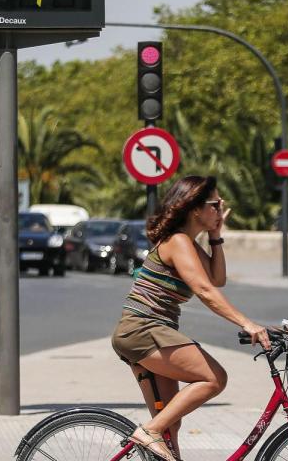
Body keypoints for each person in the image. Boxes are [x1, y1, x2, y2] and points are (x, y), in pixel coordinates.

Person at [111, 175, 271, 461]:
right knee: (214, 378)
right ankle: (148, 432)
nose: (220, 210)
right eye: (215, 204)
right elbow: (206, 291)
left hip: (148, 331)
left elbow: (217, 278)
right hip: (144, 329)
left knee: (170, 424)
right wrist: (247, 323)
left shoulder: (190, 244)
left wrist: (215, 235)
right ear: (195, 208)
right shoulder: (178, 242)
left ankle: (154, 431)